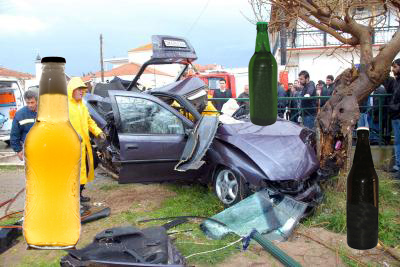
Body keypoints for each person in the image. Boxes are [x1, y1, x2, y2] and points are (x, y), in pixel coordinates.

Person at [68, 77, 106, 202]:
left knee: (92, 163)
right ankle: (73, 196)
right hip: (71, 146)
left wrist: (98, 132)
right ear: (71, 90)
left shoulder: (82, 106)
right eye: (79, 89)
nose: (81, 92)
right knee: (74, 172)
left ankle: (78, 192)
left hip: (84, 144)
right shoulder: (65, 107)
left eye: (82, 89)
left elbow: (89, 122)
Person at [382, 58, 400, 177]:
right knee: (398, 142)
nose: (393, 69)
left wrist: (393, 107)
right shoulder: (397, 80)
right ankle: (398, 165)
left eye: (395, 67)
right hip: (395, 115)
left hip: (398, 114)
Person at [10, 90, 38, 161]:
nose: (30, 105)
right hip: (28, 148)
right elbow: (14, 133)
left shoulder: (44, 112)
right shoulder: (20, 114)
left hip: (43, 147)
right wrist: (18, 150)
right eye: (28, 103)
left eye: (32, 102)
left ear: (37, 101)